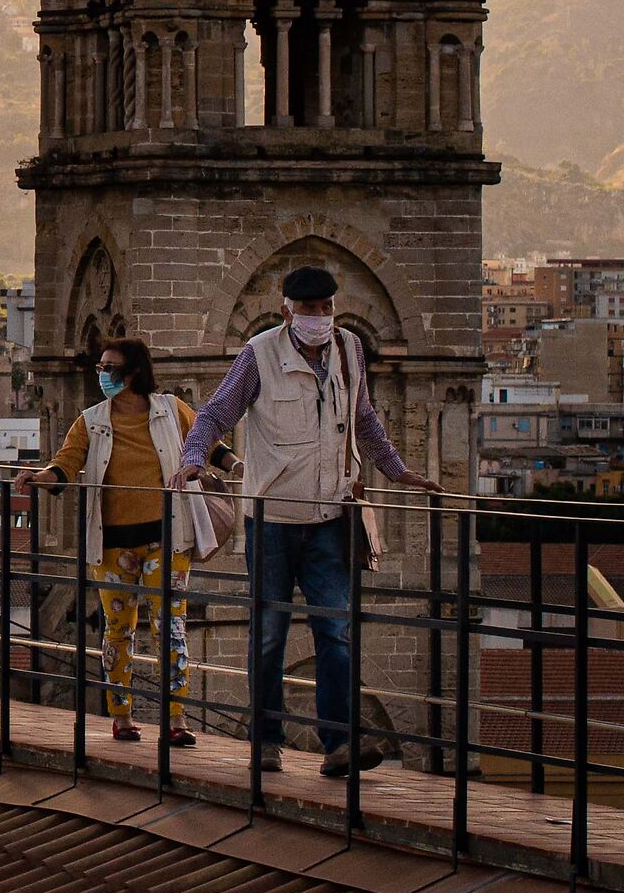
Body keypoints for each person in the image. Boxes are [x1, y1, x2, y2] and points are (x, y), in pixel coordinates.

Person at [171, 265, 445, 777]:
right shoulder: (259, 354)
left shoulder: (349, 349)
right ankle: (266, 741)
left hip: (331, 518)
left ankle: (339, 744)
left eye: (326, 308)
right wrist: (193, 456)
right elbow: (215, 414)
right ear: (287, 311)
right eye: (309, 309)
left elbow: (364, 420)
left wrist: (399, 471)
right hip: (272, 520)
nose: (319, 317)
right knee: (269, 634)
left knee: (335, 631)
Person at [16, 337, 231, 746]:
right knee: (118, 631)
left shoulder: (170, 410)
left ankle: (176, 719)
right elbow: (66, 465)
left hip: (167, 539)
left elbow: (207, 442)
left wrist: (236, 464)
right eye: (100, 368)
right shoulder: (91, 420)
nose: (102, 375)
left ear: (133, 372)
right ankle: (122, 718)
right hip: (112, 544)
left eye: (110, 368)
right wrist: (38, 477)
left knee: (171, 629)